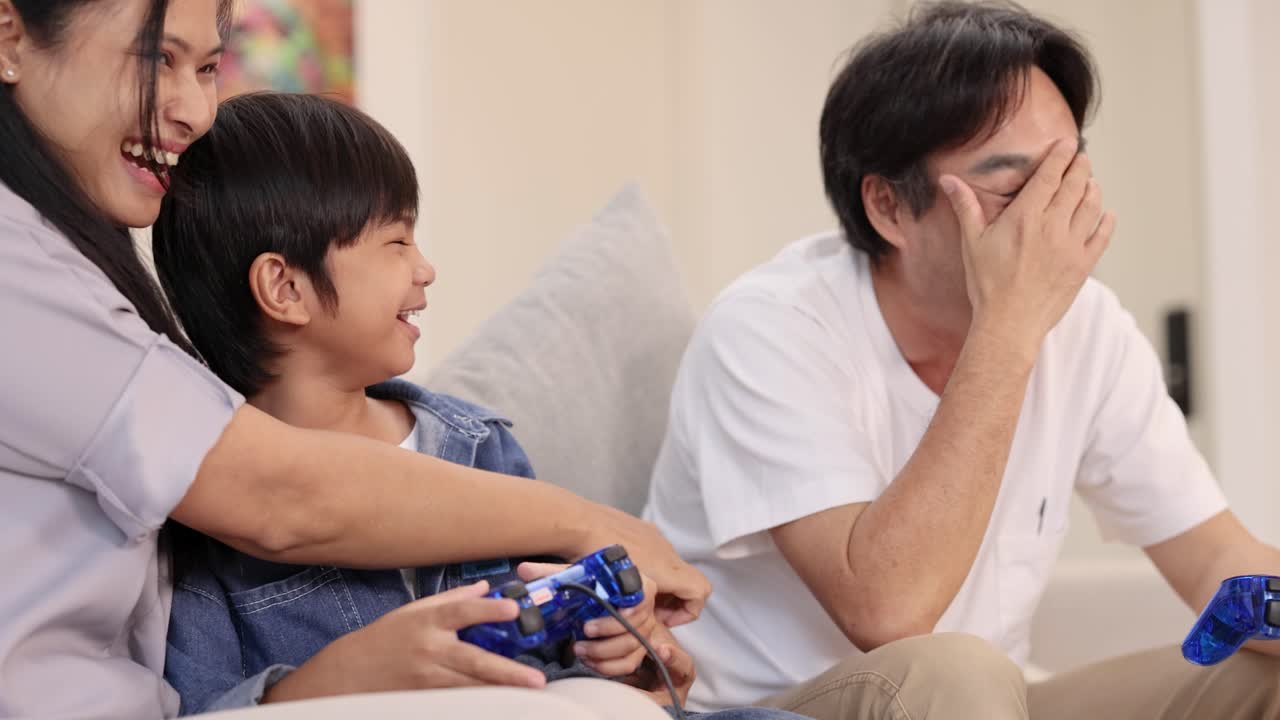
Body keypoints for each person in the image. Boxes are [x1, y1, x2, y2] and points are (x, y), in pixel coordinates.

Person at [0, 1, 707, 717]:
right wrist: (590, 522)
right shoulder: (19, 274)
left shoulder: (473, 444)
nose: (194, 110)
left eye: (209, 67)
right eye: (157, 56)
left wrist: (633, 665)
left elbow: (589, 656)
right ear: (10, 38)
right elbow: (278, 499)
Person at [644, 2, 1280, 719]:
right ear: (889, 207)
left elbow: (1218, 561)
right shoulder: (769, 329)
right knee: (957, 671)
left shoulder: (1088, 327)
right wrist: (1008, 326)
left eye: (1068, 174)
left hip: (984, 702)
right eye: (1015, 188)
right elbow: (889, 611)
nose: (1054, 214)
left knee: (1265, 677)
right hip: (786, 707)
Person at [151, 91, 805, 720]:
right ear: (286, 287)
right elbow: (210, 708)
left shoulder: (477, 445)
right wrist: (339, 679)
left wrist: (622, 649)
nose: (425, 268)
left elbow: (573, 656)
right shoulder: (210, 527)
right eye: (396, 242)